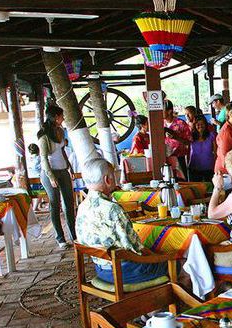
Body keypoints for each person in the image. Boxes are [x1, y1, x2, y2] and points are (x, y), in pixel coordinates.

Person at [75, 158, 167, 284]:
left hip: (101, 270)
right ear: (107, 179)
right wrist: (161, 257)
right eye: (114, 176)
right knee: (180, 262)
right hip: (124, 272)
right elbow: (134, 248)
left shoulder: (82, 207)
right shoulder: (112, 209)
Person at [37, 105, 77, 248]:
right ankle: (60, 238)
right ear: (55, 117)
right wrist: (51, 177)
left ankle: (74, 235)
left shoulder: (60, 131)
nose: (63, 118)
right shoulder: (44, 136)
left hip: (63, 170)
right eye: (61, 116)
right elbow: (44, 159)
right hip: (50, 173)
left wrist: (70, 167)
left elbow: (63, 151)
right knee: (55, 204)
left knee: (69, 202)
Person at [163, 100, 193, 178]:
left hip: (179, 158)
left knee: (182, 182)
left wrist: (176, 137)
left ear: (169, 111)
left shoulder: (181, 123)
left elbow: (188, 142)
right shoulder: (160, 124)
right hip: (165, 159)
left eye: (162, 110)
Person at [188, 115, 216, 182]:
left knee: (210, 188)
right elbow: (187, 151)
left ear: (206, 125)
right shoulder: (191, 136)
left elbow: (215, 151)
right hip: (194, 167)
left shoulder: (211, 135)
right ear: (194, 125)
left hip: (209, 167)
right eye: (198, 124)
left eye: (202, 124)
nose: (200, 126)